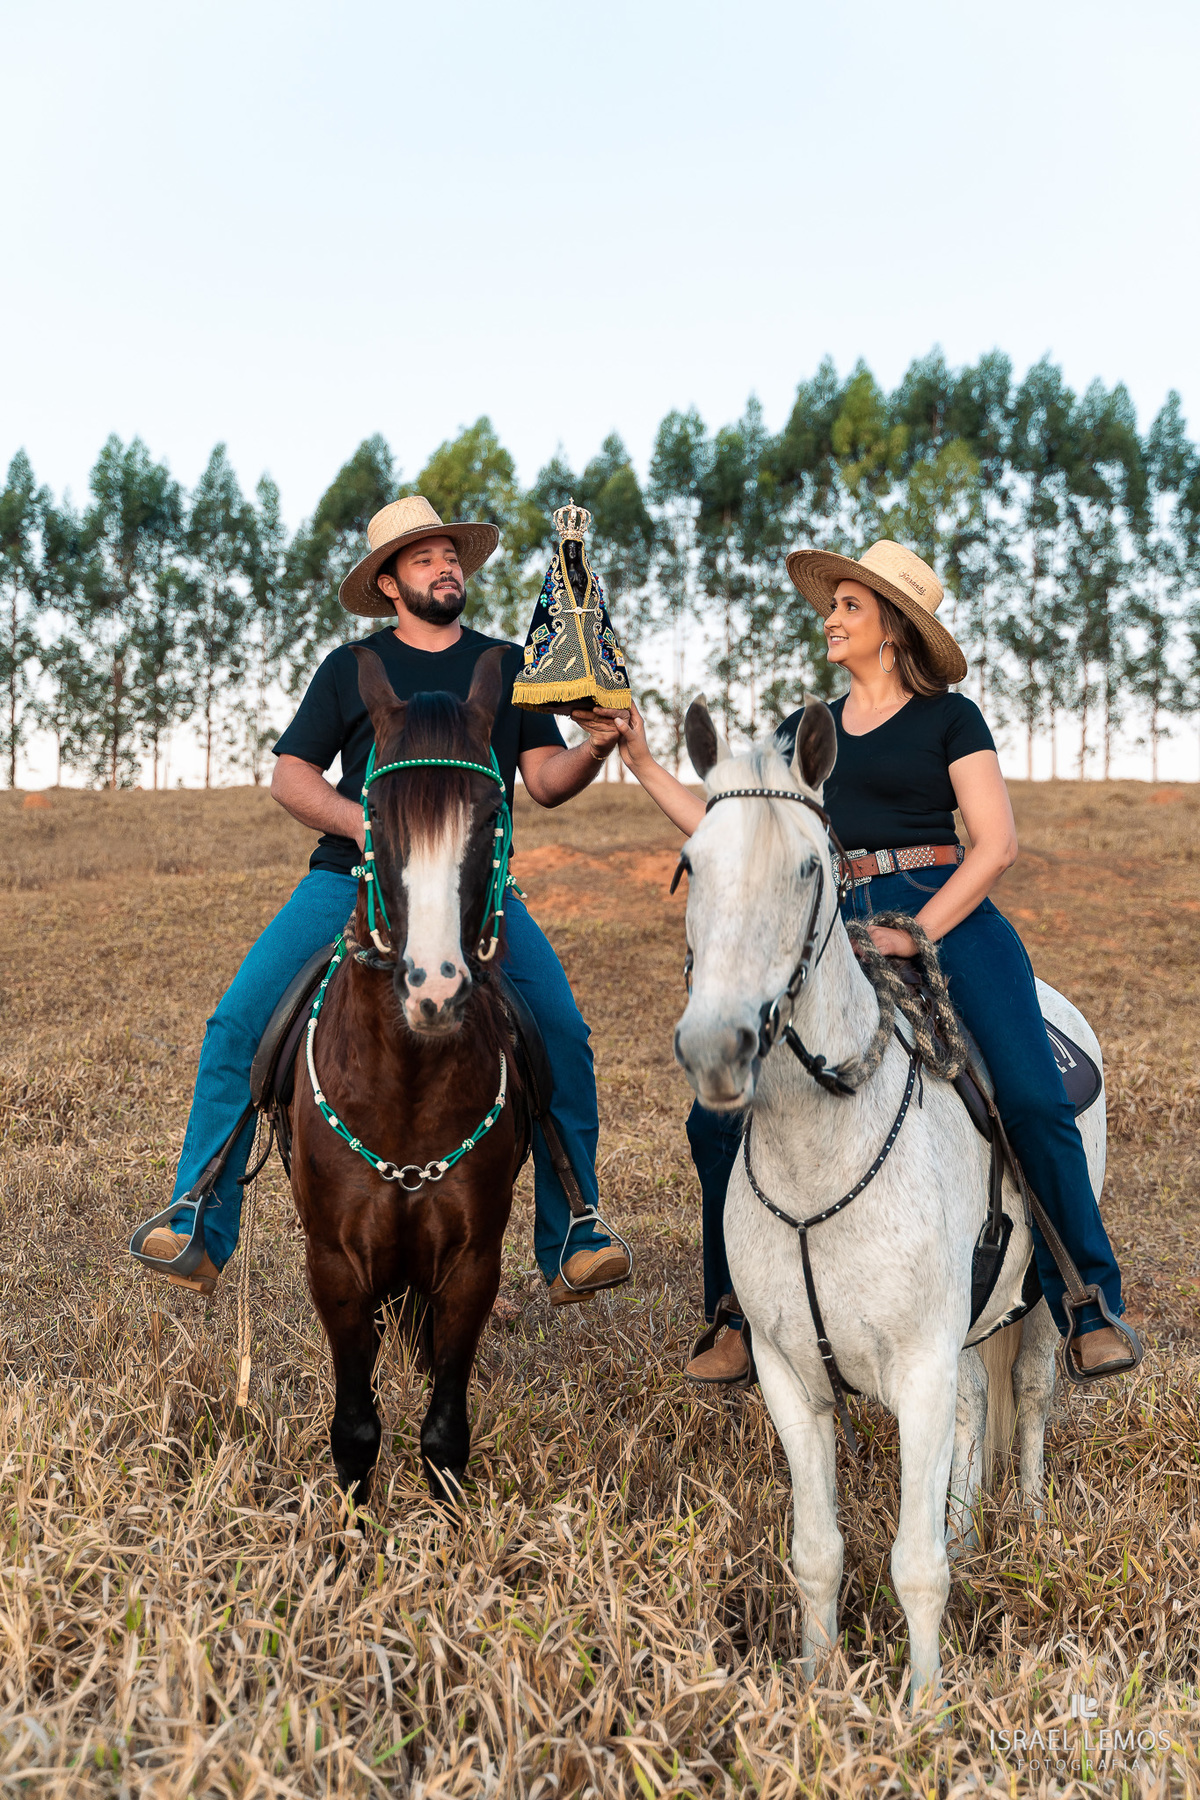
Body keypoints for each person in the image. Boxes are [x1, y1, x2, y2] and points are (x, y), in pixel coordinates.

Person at [584, 539, 1137, 1385]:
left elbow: (995, 844)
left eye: (850, 606)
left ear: (893, 628)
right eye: (833, 605)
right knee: (715, 1117)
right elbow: (732, 830)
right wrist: (644, 763)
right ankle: (733, 1312)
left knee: (1029, 1094)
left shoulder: (952, 719)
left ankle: (1089, 1300)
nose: (830, 619)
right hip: (831, 918)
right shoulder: (800, 732)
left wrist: (917, 934)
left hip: (948, 911)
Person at [133, 495, 632, 1308]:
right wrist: (370, 829)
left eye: (451, 556)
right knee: (236, 1025)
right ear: (390, 584)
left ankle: (576, 1227)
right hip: (351, 879)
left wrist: (596, 748)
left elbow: (543, 781)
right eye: (425, 558)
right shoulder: (350, 667)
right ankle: (197, 1213)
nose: (446, 567)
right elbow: (290, 775)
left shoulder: (508, 666)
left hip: (476, 889)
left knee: (564, 1035)